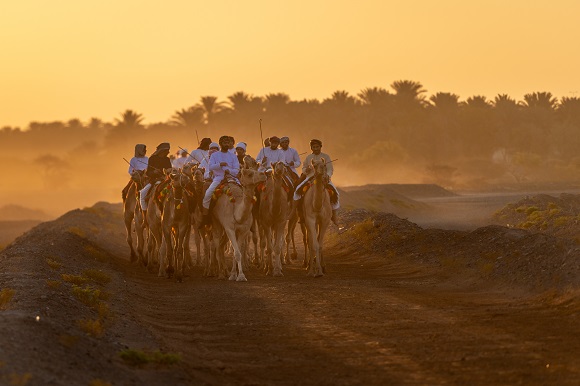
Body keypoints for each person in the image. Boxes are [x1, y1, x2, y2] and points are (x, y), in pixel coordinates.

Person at [293, 139, 340, 225]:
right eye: (314, 147)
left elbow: (330, 169)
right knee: (297, 192)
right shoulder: (308, 158)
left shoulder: (326, 157)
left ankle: (334, 215)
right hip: (310, 178)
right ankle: (299, 213)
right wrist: (306, 170)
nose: (316, 149)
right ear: (311, 148)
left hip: (324, 178)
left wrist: (327, 175)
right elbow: (303, 168)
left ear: (320, 147)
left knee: (335, 193)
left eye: (317, 147)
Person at [199, 136, 240, 227]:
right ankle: (206, 217)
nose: (227, 144)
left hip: (232, 178)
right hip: (218, 178)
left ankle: (247, 218)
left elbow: (237, 169)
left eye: (228, 142)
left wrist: (229, 171)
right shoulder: (214, 155)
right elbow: (211, 167)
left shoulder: (233, 156)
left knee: (244, 192)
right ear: (220, 144)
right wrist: (219, 164)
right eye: (224, 142)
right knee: (207, 195)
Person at [139, 142, 172, 214]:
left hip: (165, 180)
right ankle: (145, 216)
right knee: (142, 194)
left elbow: (169, 170)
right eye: (167, 150)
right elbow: (148, 173)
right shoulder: (152, 159)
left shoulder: (167, 159)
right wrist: (154, 172)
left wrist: (169, 171)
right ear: (162, 151)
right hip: (154, 181)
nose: (168, 152)